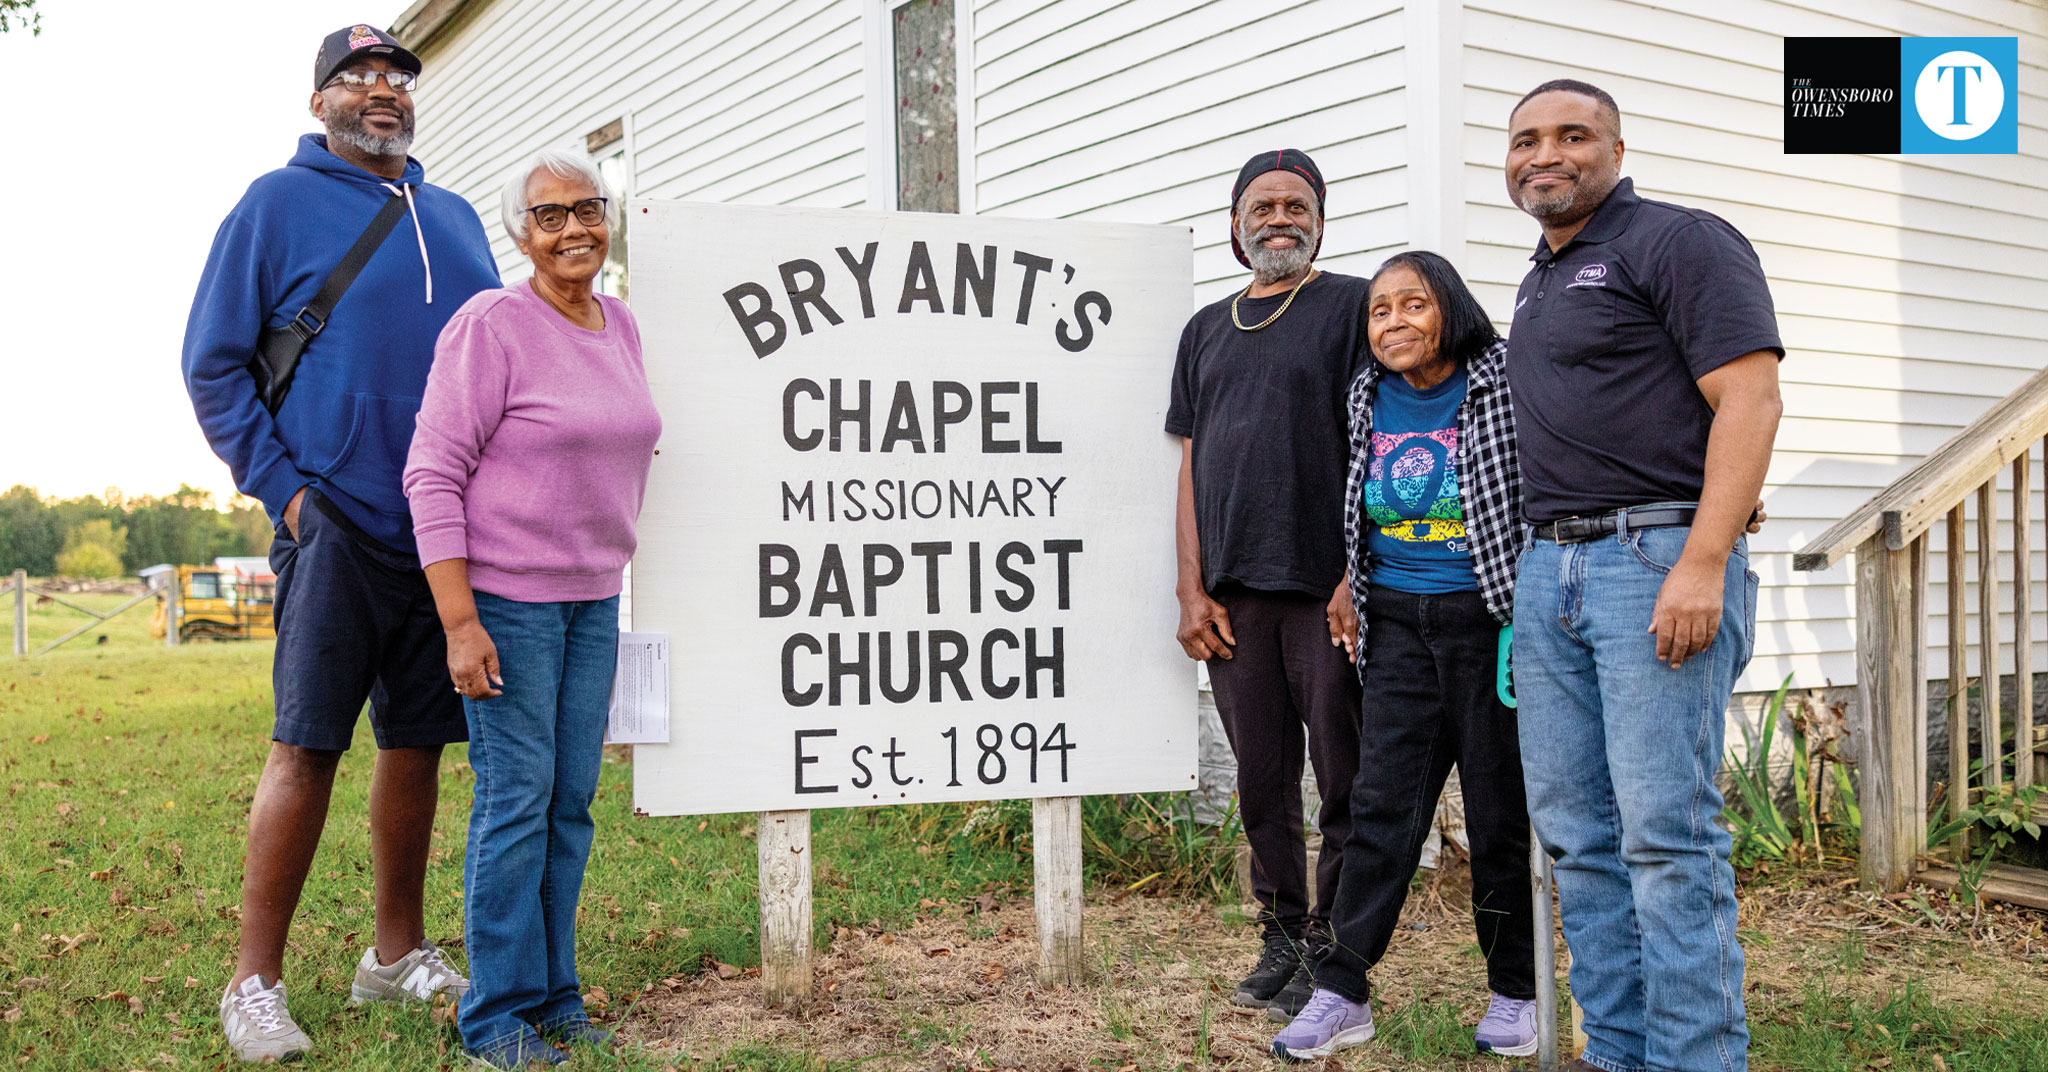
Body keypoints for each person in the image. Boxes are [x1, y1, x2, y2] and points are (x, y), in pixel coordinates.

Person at [182, 24, 500, 1063]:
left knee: (417, 743)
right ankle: (254, 981)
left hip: (441, 529)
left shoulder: (455, 218)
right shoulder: (274, 205)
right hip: (336, 519)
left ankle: (394, 956)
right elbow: (213, 364)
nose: (382, 91)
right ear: (319, 100)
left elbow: (494, 363)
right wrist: (287, 497)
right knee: (307, 742)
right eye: (357, 77)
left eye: (396, 77)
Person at [1503, 79, 1783, 1072]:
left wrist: (1704, 556)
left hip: (1652, 560)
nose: (1545, 154)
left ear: (1615, 150)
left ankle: (1696, 1059)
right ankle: (1618, 1053)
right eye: (1525, 139)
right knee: (1577, 836)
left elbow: (1749, 398)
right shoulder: (1539, 278)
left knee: (1666, 835)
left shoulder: (1678, 240)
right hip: (1550, 567)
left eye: (1571, 135)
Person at [404, 148, 662, 1070]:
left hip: (593, 600)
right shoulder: (491, 325)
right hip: (506, 603)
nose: (573, 230)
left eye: (587, 209)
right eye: (549, 216)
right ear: (521, 235)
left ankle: (557, 998)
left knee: (571, 803)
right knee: (517, 801)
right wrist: (459, 622)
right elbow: (431, 473)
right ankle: (495, 1016)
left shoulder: (620, 324)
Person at [1269, 251, 1538, 1060]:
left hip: (1490, 626)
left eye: (1412, 305)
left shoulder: (1505, 379)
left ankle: (1516, 993)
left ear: (1449, 308)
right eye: (1379, 311)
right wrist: (1352, 581)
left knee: (1499, 818)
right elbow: (1365, 505)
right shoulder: (1367, 395)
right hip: (1395, 631)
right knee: (1380, 812)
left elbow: (1575, 451)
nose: (1393, 323)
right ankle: (1342, 991)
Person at [1166, 149, 1364, 1020]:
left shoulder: (1355, 306)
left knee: (1345, 776)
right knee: (1261, 778)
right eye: (1263, 206)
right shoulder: (1206, 328)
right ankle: (1281, 931)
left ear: (1318, 219)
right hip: (1233, 594)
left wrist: (1359, 572)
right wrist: (1190, 586)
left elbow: (1389, 438)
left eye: (1296, 205)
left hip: (1327, 589)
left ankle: (1336, 943)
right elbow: (1191, 461)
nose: (1279, 219)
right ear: (1236, 223)